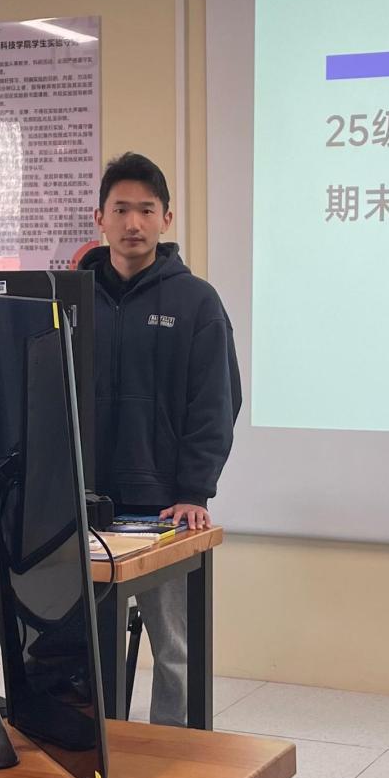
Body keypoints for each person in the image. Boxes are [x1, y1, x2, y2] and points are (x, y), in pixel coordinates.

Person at [81, 152, 241, 727]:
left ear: (166, 219)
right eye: (121, 209)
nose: (133, 223)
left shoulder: (196, 301)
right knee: (77, 646)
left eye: (146, 210)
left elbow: (216, 402)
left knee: (174, 651)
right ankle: (93, 748)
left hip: (164, 510)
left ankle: (179, 757)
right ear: (99, 217)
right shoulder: (69, 299)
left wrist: (194, 491)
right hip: (83, 503)